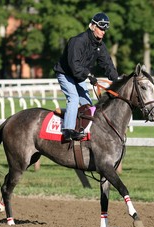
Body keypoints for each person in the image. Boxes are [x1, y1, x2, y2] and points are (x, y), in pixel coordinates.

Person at [54, 12, 119, 141]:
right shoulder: (77, 41)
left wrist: (117, 80)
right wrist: (89, 75)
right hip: (66, 74)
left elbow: (107, 64)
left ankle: (80, 126)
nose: (103, 32)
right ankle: (67, 131)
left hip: (79, 76)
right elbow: (74, 65)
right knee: (73, 97)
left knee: (88, 105)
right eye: (101, 28)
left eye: (105, 29)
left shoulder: (100, 45)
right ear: (93, 26)